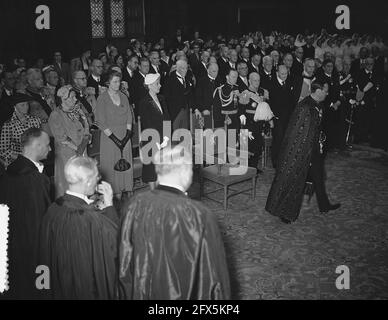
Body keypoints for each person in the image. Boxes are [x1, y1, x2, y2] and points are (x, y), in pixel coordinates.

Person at [118, 145, 231, 300]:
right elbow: (213, 278)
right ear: (185, 171)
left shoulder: (133, 205)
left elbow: (124, 263)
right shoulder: (199, 215)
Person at [39, 156, 118, 299]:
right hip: (84, 288)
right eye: (96, 176)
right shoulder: (89, 218)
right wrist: (110, 206)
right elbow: (116, 245)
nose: (98, 179)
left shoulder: (53, 208)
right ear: (88, 181)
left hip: (59, 285)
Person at [265, 81, 341, 224]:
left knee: (318, 176)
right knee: (292, 179)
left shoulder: (318, 105)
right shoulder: (305, 106)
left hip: (314, 148)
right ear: (318, 91)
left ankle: (324, 205)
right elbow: (295, 132)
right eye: (326, 90)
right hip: (300, 151)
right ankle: (283, 211)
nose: (327, 93)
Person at [0, 127, 51, 299]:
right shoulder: (35, 179)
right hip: (36, 247)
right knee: (42, 286)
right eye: (47, 145)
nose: (50, 149)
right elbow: (42, 218)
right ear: (37, 145)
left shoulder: (10, 169)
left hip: (13, 243)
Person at [95, 70, 134, 199]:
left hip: (125, 135)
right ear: (108, 83)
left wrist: (127, 135)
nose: (118, 84)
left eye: (119, 81)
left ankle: (126, 190)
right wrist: (115, 139)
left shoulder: (123, 96)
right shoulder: (102, 98)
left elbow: (129, 115)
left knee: (125, 165)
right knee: (112, 166)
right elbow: (101, 121)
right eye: (115, 82)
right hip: (110, 138)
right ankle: (114, 196)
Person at [49, 85, 90, 198]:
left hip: (82, 150)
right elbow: (62, 137)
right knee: (69, 184)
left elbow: (86, 125)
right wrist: (78, 148)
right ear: (63, 99)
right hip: (67, 155)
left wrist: (85, 140)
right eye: (72, 97)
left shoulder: (78, 110)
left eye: (75, 96)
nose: (75, 99)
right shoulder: (55, 115)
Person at [138, 73, 171, 189]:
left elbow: (167, 117)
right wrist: (156, 141)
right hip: (151, 139)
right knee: (152, 169)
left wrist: (166, 137)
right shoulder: (144, 102)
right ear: (150, 85)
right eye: (157, 83)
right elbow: (147, 123)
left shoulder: (162, 98)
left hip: (164, 138)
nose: (160, 86)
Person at [0, 93, 41, 168]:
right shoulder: (9, 125)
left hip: (35, 159)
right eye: (22, 105)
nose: (26, 107)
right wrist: (21, 158)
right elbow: (3, 150)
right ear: (15, 106)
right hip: (17, 163)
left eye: (27, 104)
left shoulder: (35, 120)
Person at [269, 65, 294, 167]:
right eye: (282, 74)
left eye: (286, 74)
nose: (284, 76)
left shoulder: (289, 83)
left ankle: (284, 159)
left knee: (286, 139)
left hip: (287, 117)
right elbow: (271, 103)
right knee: (278, 140)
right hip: (277, 117)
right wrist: (274, 116)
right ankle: (276, 161)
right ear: (277, 73)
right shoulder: (272, 85)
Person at [164, 59, 195, 130]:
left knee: (184, 133)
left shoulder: (188, 78)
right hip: (175, 112)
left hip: (186, 110)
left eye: (186, 68)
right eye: (183, 68)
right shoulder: (170, 80)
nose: (185, 70)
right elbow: (167, 98)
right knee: (175, 135)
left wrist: (194, 108)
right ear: (177, 68)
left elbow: (191, 95)